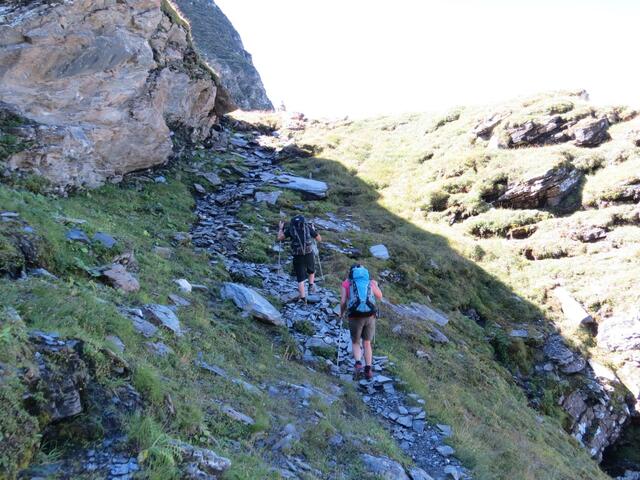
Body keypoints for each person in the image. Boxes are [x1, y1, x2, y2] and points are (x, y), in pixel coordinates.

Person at [340, 264, 383, 380]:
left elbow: (343, 301)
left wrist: (341, 313)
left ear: (351, 272)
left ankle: (358, 363)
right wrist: (376, 285)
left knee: (355, 342)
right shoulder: (370, 282)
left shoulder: (346, 283)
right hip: (370, 315)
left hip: (355, 315)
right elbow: (380, 296)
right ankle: (368, 369)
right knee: (367, 343)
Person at [277, 215, 322, 302]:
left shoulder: (291, 229)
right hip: (308, 253)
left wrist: (280, 229)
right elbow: (319, 239)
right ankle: (311, 285)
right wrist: (314, 230)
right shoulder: (307, 227)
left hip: (298, 255)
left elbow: (279, 238)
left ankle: (303, 299)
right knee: (311, 270)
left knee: (300, 278)